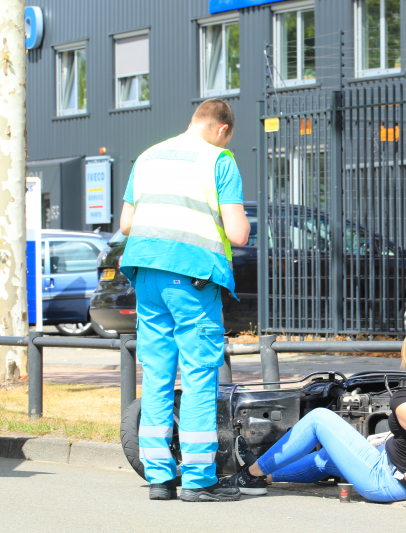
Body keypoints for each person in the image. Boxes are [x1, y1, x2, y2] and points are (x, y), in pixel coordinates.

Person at [119, 99, 250, 501]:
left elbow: (126, 223)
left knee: (157, 374)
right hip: (192, 277)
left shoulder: (148, 157)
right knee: (198, 373)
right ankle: (197, 479)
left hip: (146, 273)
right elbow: (239, 233)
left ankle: (159, 478)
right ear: (223, 129)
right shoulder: (218, 160)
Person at [218, 330, 406, 504]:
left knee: (319, 418)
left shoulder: (405, 400)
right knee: (327, 457)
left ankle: (250, 474)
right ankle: (265, 476)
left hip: (388, 482)